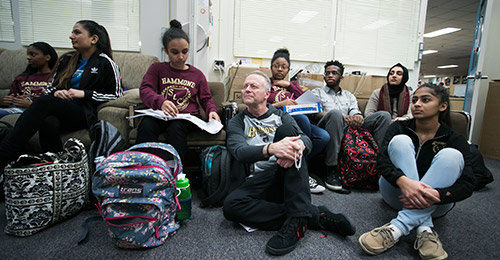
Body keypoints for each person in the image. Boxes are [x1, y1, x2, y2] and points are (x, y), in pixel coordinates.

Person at [223, 70, 356, 256]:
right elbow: (239, 151)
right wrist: (272, 149)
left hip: (287, 173)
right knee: (231, 207)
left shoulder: (281, 116)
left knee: (288, 133)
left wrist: (300, 144)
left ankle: (295, 225)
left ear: (266, 94)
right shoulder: (237, 121)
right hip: (259, 180)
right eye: (245, 86)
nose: (247, 89)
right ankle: (312, 216)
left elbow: (306, 139)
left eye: (253, 86)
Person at [358, 83, 475, 260]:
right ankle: (425, 228)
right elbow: (381, 161)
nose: (417, 104)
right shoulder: (399, 127)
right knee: (400, 141)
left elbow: (468, 183)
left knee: (452, 155)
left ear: (442, 106)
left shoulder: (454, 139)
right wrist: (404, 181)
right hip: (396, 194)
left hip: (437, 202)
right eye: (415, 100)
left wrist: (438, 194)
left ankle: (400, 227)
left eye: (425, 100)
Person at [0, 20, 122, 172]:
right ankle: (56, 169)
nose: (71, 36)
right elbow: (50, 89)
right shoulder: (67, 59)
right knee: (48, 122)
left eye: (77, 32)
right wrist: (57, 92)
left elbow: (116, 94)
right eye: (72, 32)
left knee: (45, 102)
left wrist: (83, 93)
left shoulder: (105, 62)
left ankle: (5, 154)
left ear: (93, 39)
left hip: (83, 112)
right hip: (60, 109)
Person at [137, 19, 220, 161]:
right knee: (146, 124)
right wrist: (161, 102)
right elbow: (145, 90)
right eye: (174, 52)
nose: (181, 57)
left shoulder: (197, 74)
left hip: (185, 118)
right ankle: (144, 167)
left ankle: (175, 171)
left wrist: (212, 111)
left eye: (185, 51)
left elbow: (206, 99)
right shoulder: (157, 68)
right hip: (161, 115)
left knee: (176, 128)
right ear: (166, 51)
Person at [312, 60, 391, 193]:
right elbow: (315, 113)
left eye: (334, 73)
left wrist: (358, 116)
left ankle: (379, 164)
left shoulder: (349, 95)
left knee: (384, 116)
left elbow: (354, 110)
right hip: (328, 126)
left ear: (341, 77)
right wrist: (343, 117)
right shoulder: (317, 92)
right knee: (335, 114)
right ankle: (331, 168)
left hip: (349, 126)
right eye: (327, 73)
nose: (330, 75)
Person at [268, 48, 330, 194]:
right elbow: (260, 105)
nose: (279, 69)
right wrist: (279, 104)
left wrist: (289, 85)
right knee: (302, 120)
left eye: (284, 67)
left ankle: (299, 165)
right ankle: (303, 173)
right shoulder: (266, 84)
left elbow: (306, 101)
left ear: (288, 69)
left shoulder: (293, 85)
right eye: (276, 65)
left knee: (323, 137)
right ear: (271, 67)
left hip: (300, 121)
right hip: (278, 120)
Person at [0, 42, 58, 118]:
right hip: (15, 108)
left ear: (47, 57)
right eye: (28, 55)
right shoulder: (21, 78)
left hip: (36, 110)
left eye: (33, 55)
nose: (28, 57)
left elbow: (56, 103)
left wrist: (31, 105)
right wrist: (5, 101)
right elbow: (12, 95)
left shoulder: (57, 78)